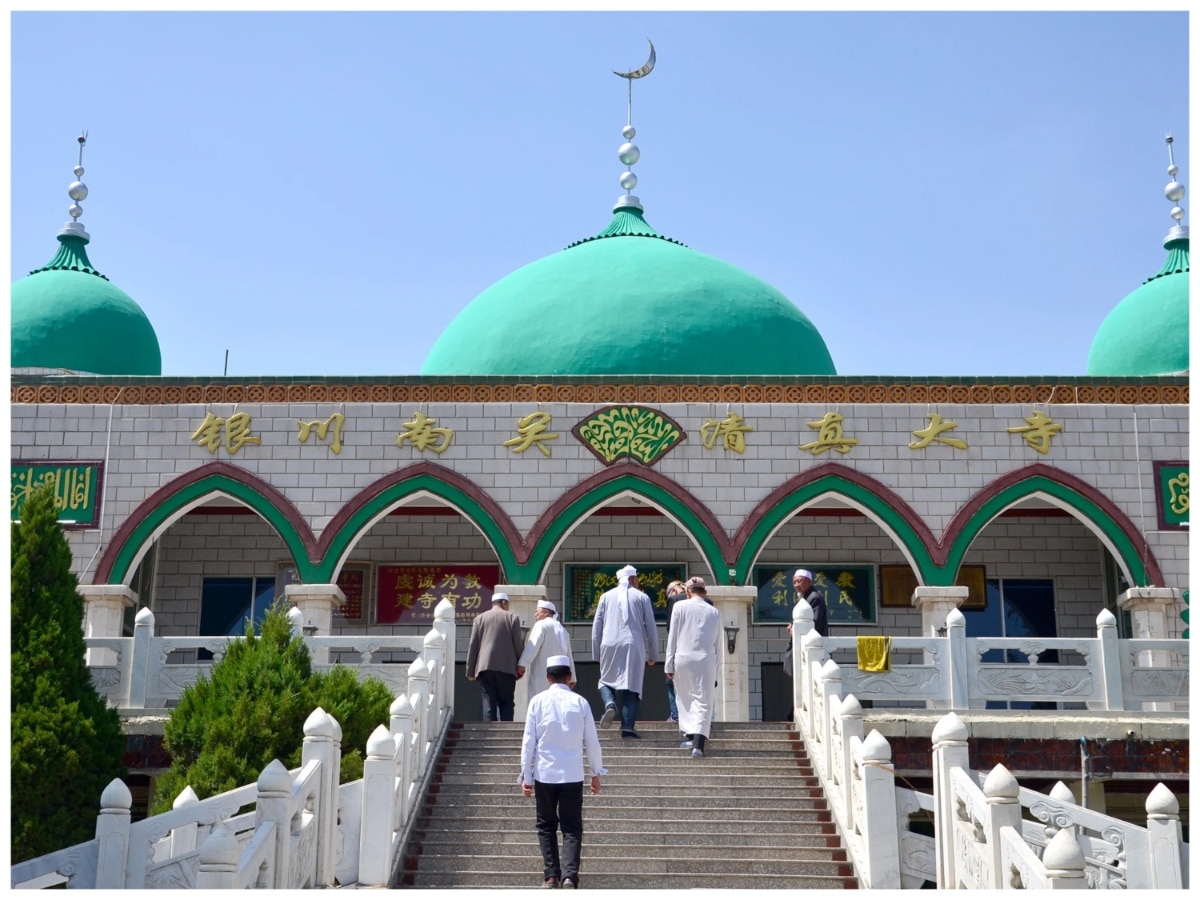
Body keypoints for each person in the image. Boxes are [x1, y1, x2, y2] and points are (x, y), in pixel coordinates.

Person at [519, 654, 606, 890]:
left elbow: (529, 742)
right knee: (572, 827)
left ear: (548, 677)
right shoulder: (581, 703)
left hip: (544, 774)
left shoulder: (537, 702)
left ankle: (551, 876)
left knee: (546, 826)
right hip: (572, 774)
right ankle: (570, 877)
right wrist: (596, 773)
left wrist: (526, 776)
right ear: (569, 677)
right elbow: (592, 741)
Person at [591, 564, 659, 739]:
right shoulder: (642, 597)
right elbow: (651, 628)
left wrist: (596, 653)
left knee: (606, 680)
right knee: (632, 686)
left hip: (609, 644)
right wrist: (653, 655)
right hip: (633, 645)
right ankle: (627, 728)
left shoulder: (605, 596)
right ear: (633, 579)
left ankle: (610, 703)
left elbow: (596, 626)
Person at [665, 576, 722, 758]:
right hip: (706, 660)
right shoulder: (714, 611)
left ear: (688, 591)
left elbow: (672, 637)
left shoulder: (679, 607)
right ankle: (698, 744)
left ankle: (690, 737)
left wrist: (668, 663)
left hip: (683, 658)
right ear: (704, 592)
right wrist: (716, 671)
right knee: (704, 701)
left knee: (686, 698)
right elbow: (718, 645)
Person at [466, 591, 525, 722]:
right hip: (507, 668)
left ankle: (488, 731)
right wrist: (521, 665)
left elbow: (473, 646)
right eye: (507, 604)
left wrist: (470, 671)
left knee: (488, 702)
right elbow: (518, 644)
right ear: (504, 603)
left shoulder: (479, 619)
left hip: (485, 667)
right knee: (507, 702)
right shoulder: (512, 618)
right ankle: (507, 732)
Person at [519, 599, 576, 703]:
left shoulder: (541, 625)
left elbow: (532, 646)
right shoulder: (563, 630)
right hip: (560, 677)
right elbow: (569, 655)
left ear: (545, 612)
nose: (535, 615)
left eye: (537, 612)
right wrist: (572, 678)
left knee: (538, 703)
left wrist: (522, 664)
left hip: (541, 675)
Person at [663, 580, 687, 724]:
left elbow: (670, 627)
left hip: (680, 647)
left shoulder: (675, 599)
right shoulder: (703, 600)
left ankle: (675, 714)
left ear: (672, 591)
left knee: (671, 682)